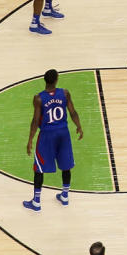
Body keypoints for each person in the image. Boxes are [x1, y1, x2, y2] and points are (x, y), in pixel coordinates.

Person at [24, 69, 84, 212]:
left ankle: (36, 202)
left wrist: (30, 139)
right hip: (63, 133)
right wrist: (79, 126)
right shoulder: (64, 93)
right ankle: (64, 196)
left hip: (47, 135)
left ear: (45, 80)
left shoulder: (38, 98)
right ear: (56, 80)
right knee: (66, 165)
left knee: (38, 169)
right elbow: (73, 112)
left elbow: (35, 120)